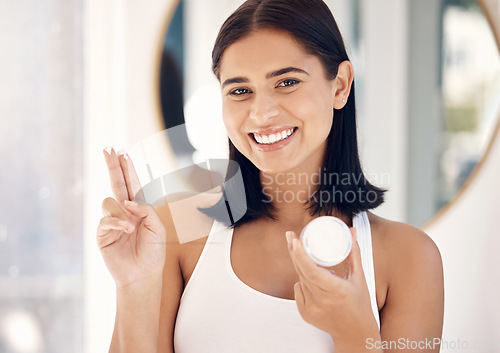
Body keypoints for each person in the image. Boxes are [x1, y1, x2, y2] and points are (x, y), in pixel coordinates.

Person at [98, 0, 444, 352]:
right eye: (240, 90)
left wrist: (355, 334)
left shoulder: (409, 258)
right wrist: (134, 287)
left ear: (339, 86)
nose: (262, 114)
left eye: (287, 82)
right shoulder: (176, 230)